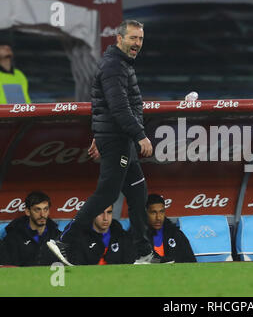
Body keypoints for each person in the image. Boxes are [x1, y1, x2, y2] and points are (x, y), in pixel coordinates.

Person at [47, 19, 155, 266]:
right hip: (118, 139)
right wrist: (140, 135)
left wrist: (99, 134)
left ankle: (143, 252)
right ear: (119, 38)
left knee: (138, 193)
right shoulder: (114, 66)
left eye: (140, 39)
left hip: (120, 137)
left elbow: (103, 105)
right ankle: (65, 240)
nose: (137, 43)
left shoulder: (122, 64)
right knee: (107, 192)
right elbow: (118, 108)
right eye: (132, 38)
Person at [3, 191, 60, 266]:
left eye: (45, 209)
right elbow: (6, 269)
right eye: (37, 210)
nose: (42, 214)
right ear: (27, 212)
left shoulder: (58, 237)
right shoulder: (12, 238)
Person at [68, 205, 136, 265]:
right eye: (100, 212)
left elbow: (130, 268)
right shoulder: (79, 239)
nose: (105, 218)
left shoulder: (124, 237)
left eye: (109, 212)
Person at [146, 194, 196, 263]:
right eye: (153, 213)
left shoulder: (176, 234)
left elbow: (191, 262)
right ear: (145, 213)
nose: (158, 218)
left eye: (161, 212)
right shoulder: (137, 238)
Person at [0, 38, 31, 104]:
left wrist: (30, 111)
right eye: (2, 47)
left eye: (9, 47)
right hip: (3, 112)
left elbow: (25, 96)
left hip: (21, 112)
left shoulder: (19, 74)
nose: (7, 48)